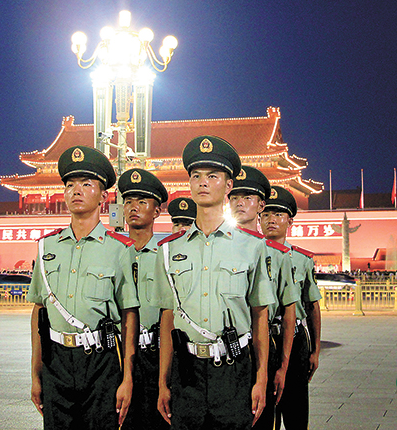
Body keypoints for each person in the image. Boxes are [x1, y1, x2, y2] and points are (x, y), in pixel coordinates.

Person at [154, 136, 276, 430]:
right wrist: (163, 382)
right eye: (196, 176)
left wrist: (261, 379)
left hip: (234, 370)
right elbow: (167, 317)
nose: (203, 183)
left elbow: (260, 315)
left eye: (212, 176)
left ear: (228, 185)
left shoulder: (252, 247)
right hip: (187, 370)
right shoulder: (169, 250)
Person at [27, 145, 139, 430]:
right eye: (70, 185)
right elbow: (39, 311)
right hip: (56, 361)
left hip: (101, 362)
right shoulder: (46, 248)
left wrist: (127, 377)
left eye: (86, 184)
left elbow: (129, 316)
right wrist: (35, 373)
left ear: (103, 196)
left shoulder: (120, 249)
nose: (76, 190)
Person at [230, 166, 298, 430]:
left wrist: (283, 366)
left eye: (247, 198)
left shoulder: (277, 255)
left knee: (262, 420)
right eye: (235, 197)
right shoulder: (216, 249)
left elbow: (289, 310)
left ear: (260, 205)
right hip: (227, 350)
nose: (239, 203)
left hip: (263, 346)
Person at [260, 185, 322, 430]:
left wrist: (315, 350)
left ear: (290, 221)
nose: (271, 220)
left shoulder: (302, 259)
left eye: (278, 215)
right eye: (266, 214)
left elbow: (312, 305)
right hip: (262, 338)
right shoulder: (250, 255)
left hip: (294, 340)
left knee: (295, 409)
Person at [117, 168, 170, 430]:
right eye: (128, 202)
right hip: (117, 355)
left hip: (155, 354)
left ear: (157, 211)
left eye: (141, 202)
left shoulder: (167, 256)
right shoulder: (113, 253)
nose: (133, 208)